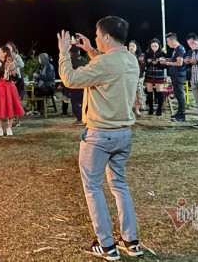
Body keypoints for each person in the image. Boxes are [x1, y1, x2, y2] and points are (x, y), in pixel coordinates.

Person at [57, 17, 142, 260]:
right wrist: (92, 51)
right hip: (124, 135)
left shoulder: (105, 63)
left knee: (93, 188)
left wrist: (64, 53)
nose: (94, 38)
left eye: (96, 35)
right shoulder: (130, 60)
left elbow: (70, 79)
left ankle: (106, 245)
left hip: (99, 135)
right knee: (119, 185)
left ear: (106, 37)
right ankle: (131, 241)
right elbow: (108, 68)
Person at [0, 46, 25, 136]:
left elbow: (16, 77)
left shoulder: (11, 62)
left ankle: (9, 127)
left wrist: (12, 68)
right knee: (0, 106)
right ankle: (0, 128)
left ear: (4, 53)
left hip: (9, 86)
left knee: (9, 106)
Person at [159, 33, 187, 122]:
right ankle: (179, 113)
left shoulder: (180, 49)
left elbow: (179, 63)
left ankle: (182, 114)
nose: (167, 44)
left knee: (180, 94)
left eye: (168, 41)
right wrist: (166, 60)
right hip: (175, 75)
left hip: (179, 75)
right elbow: (174, 60)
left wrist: (166, 63)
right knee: (177, 95)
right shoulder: (176, 50)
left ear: (173, 40)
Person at [59, 45, 87, 122]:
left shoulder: (70, 61)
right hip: (85, 84)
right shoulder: (84, 60)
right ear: (79, 51)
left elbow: (66, 75)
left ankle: (80, 119)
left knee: (75, 102)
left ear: (69, 52)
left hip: (74, 84)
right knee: (84, 101)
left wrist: (65, 91)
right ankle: (84, 117)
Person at [143, 39, 166, 116]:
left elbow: (164, 66)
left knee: (159, 91)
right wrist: (149, 62)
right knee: (149, 92)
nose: (154, 48)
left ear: (159, 46)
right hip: (149, 73)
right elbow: (145, 64)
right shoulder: (147, 53)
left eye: (156, 46)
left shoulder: (162, 53)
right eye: (152, 46)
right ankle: (151, 109)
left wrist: (158, 63)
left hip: (158, 73)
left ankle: (159, 109)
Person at [6, 41, 25, 126]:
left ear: (13, 48)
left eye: (10, 47)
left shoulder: (16, 56)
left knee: (17, 100)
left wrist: (15, 61)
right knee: (9, 101)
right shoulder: (6, 57)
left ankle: (18, 120)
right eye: (7, 47)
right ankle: (10, 119)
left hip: (18, 80)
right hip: (9, 80)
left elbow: (22, 65)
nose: (8, 49)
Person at [128, 40, 145, 117]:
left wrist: (141, 61)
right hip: (129, 77)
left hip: (138, 77)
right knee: (130, 94)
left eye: (133, 46)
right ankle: (129, 110)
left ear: (136, 47)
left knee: (138, 94)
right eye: (130, 46)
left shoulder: (140, 56)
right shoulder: (126, 55)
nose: (131, 48)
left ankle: (137, 109)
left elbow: (144, 67)